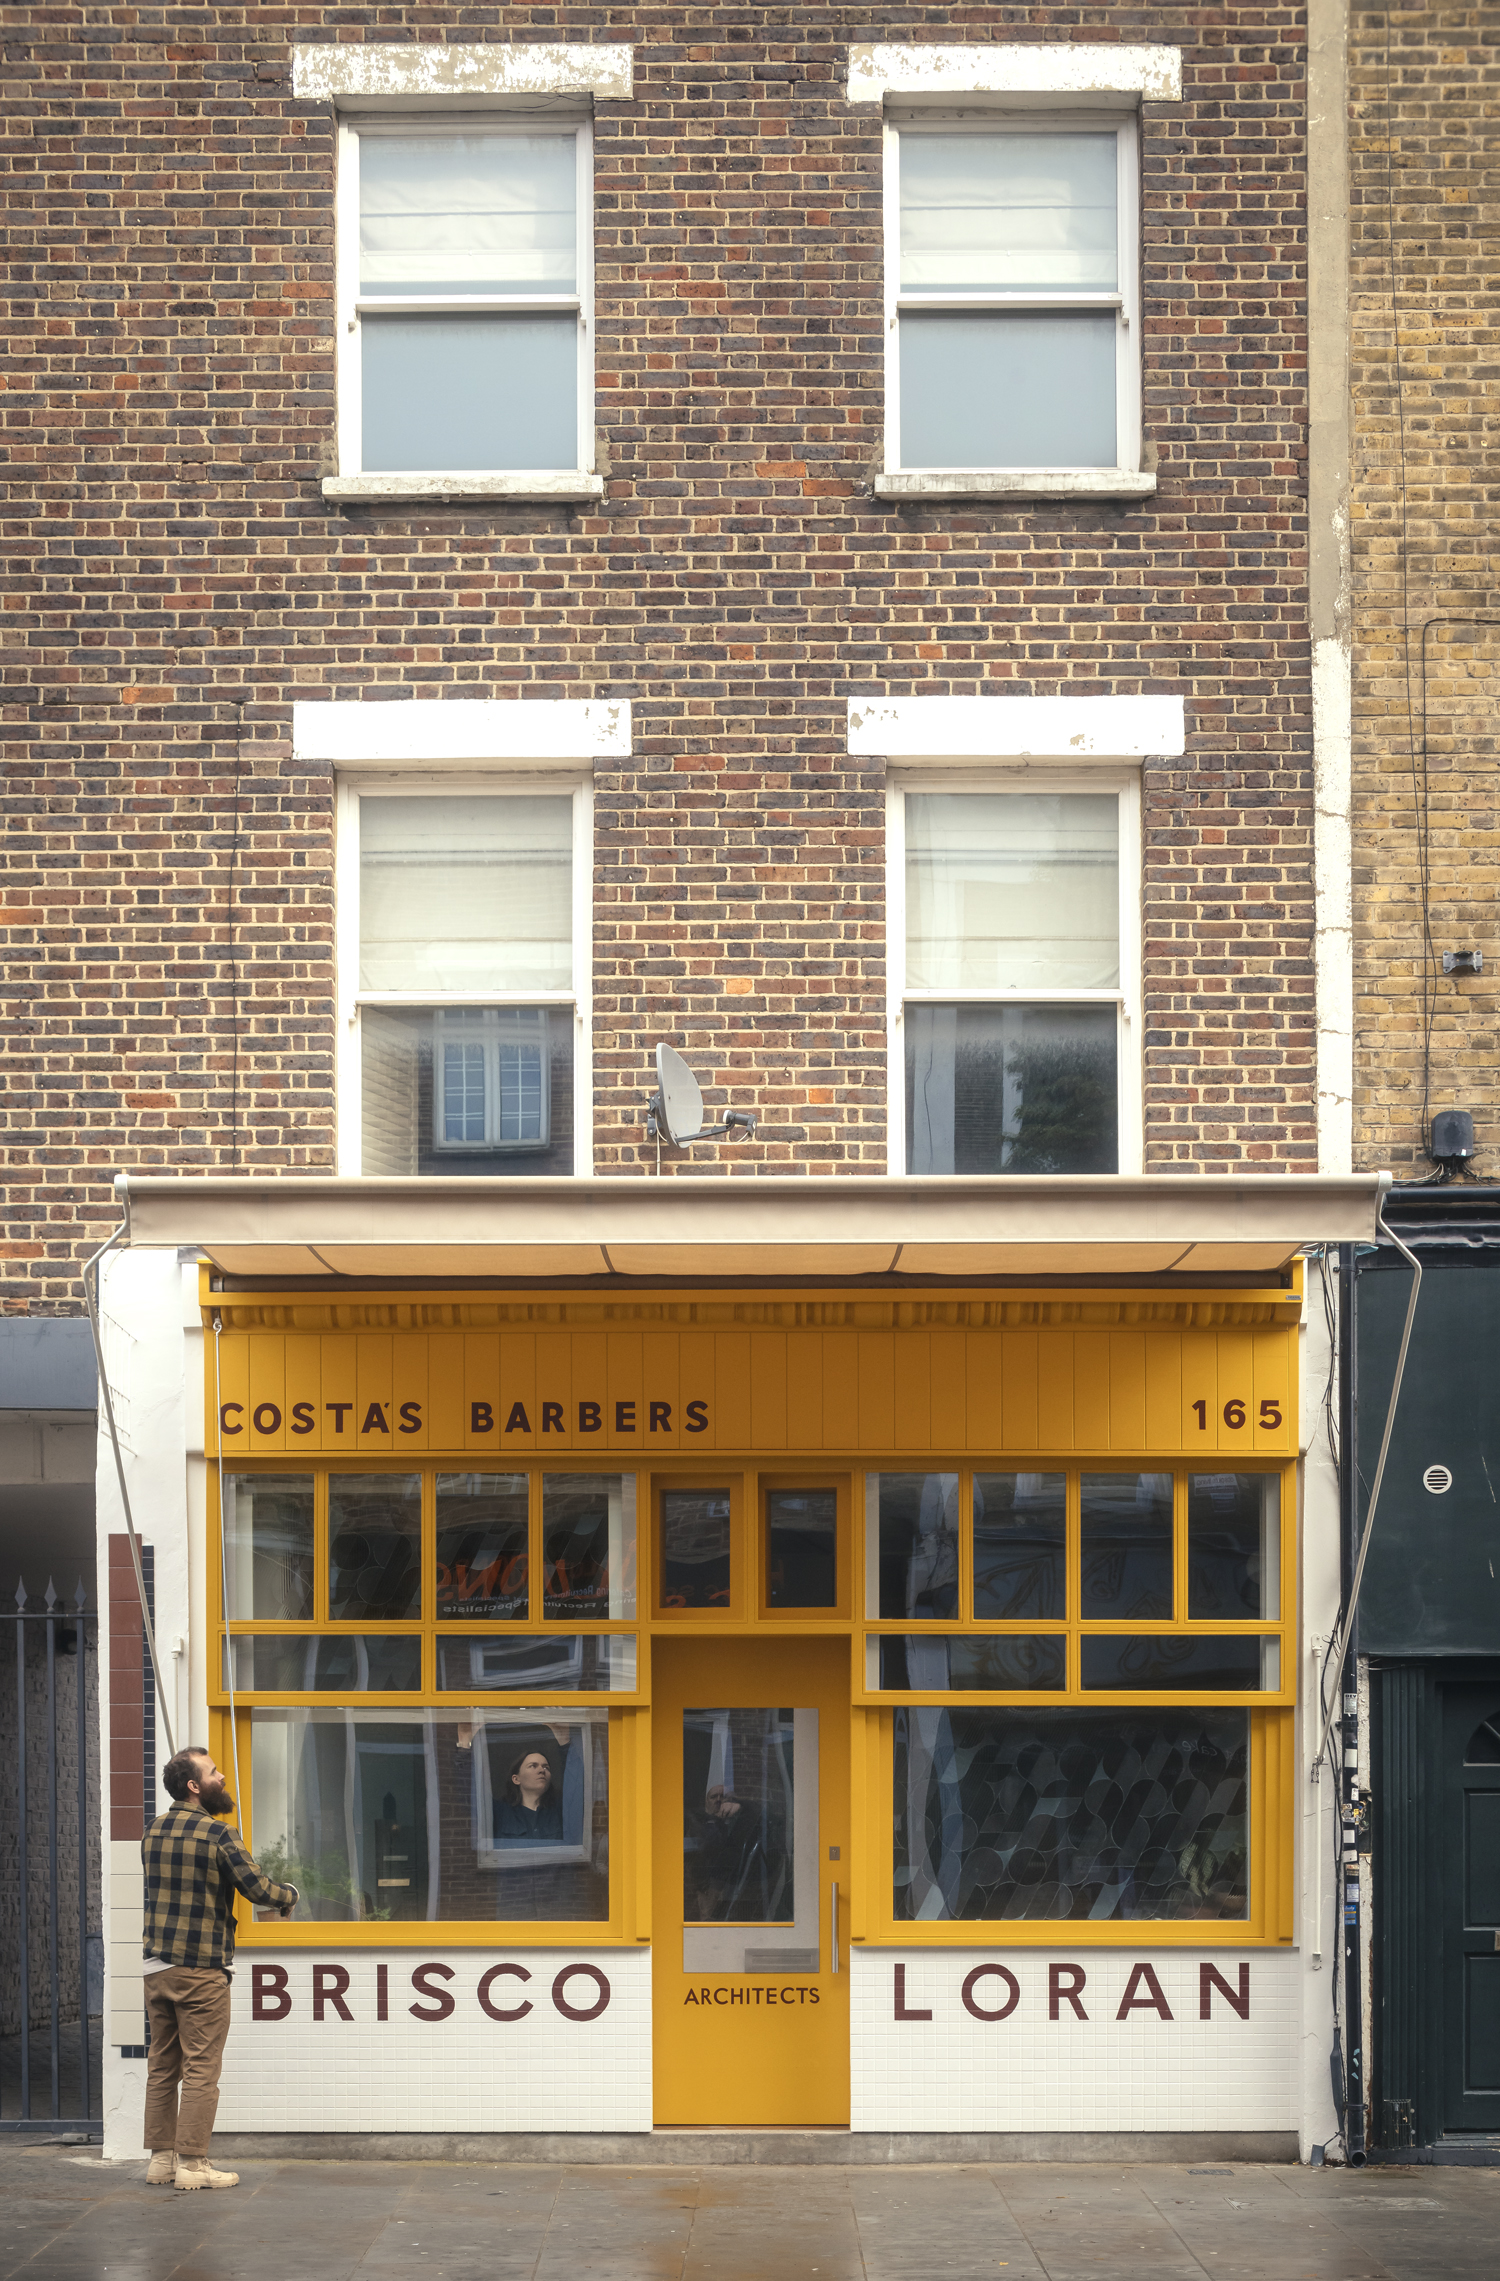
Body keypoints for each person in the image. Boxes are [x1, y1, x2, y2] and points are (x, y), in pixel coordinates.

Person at [140, 1747, 298, 2191]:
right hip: (200, 1970)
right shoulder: (218, 1834)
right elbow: (257, 1890)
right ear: (194, 1786)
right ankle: (193, 2165)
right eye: (213, 1772)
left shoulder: (151, 1831)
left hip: (156, 1969)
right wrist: (289, 1895)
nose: (222, 1776)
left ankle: (160, 2160)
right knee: (201, 2068)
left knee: (162, 2066)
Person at [493, 1746, 564, 1841]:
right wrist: (466, 1746)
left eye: (546, 1767)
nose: (542, 1770)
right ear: (516, 1779)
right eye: (533, 1766)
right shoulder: (500, 1811)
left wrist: (564, 1743)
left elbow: (575, 1781)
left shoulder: (560, 1809)